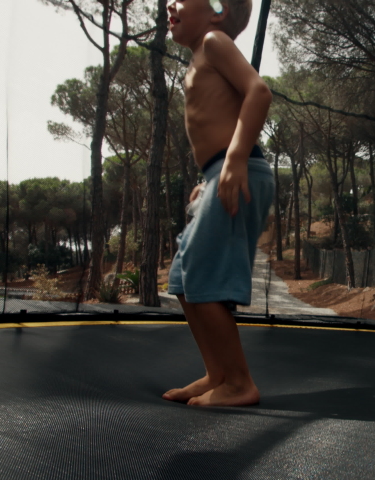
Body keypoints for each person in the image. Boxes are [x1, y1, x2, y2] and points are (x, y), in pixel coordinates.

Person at [162, 0, 274, 407]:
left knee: (205, 281)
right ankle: (218, 373)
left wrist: (235, 159)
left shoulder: (213, 42)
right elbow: (217, 121)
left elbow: (258, 93)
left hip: (239, 169)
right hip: (218, 172)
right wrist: (207, 178)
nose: (169, 3)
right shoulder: (198, 57)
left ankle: (240, 382)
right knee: (183, 281)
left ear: (216, 10)